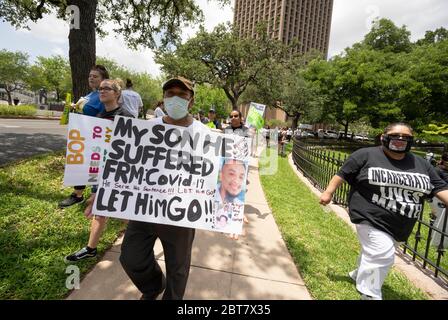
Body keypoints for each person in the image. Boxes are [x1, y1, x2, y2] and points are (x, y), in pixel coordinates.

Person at [319, 122, 448, 300]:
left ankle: (358, 273)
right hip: (369, 214)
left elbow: (439, 187)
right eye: (395, 135)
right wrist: (328, 192)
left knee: (376, 251)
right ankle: (370, 293)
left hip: (402, 221)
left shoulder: (421, 164)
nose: (400, 139)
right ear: (383, 137)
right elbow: (342, 173)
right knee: (382, 252)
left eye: (406, 137)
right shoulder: (366, 155)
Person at [118, 76, 209, 300]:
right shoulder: (146, 129)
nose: (175, 99)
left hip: (181, 215)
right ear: (163, 98)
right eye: (170, 94)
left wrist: (231, 204)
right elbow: (125, 166)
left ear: (191, 100)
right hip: (144, 211)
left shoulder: (205, 134)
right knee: (131, 257)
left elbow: (216, 176)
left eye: (182, 95)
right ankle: (153, 286)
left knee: (178, 269)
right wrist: (103, 194)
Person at [65, 79, 134, 262]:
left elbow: (130, 147)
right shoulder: (101, 114)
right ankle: (91, 248)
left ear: (117, 94)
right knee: (101, 209)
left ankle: (136, 243)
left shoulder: (125, 116)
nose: (102, 91)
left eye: (107, 88)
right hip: (101, 169)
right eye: (101, 88)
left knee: (120, 210)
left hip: (118, 170)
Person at [59, 65, 109, 208]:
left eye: (95, 76)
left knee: (95, 164)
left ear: (103, 79)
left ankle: (96, 195)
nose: (91, 78)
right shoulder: (91, 94)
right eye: (90, 76)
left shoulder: (103, 96)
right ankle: (78, 194)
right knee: (80, 162)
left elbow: (105, 114)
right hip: (82, 134)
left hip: (95, 136)